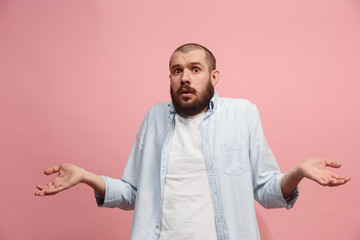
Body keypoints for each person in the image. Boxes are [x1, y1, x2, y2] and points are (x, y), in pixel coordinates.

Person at [35, 43, 350, 240]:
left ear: (213, 77)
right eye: (177, 70)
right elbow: (132, 195)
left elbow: (266, 192)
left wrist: (296, 172)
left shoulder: (242, 114)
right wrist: (86, 177)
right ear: (170, 77)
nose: (184, 77)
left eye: (195, 69)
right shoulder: (154, 118)